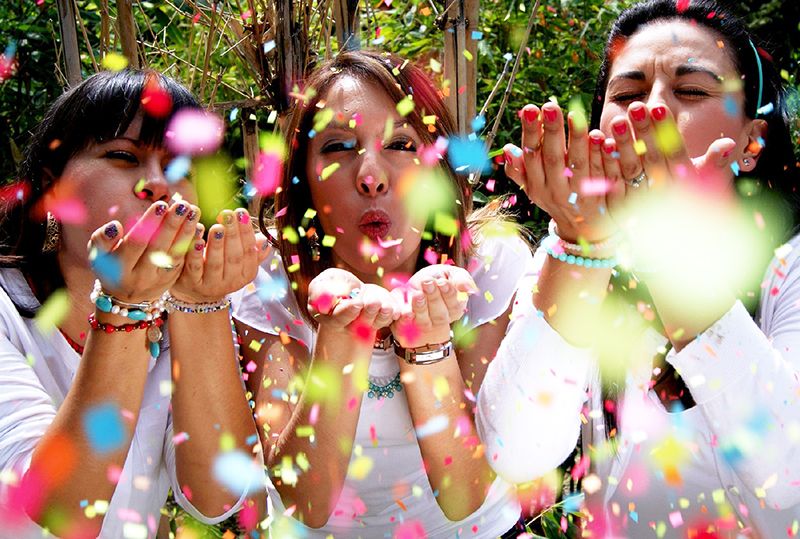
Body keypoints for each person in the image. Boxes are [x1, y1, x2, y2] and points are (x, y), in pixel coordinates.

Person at [480, 0, 800, 536]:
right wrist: (581, 248)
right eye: (625, 95)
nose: (650, 111)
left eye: (692, 91)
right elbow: (516, 453)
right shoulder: (574, 258)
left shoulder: (787, 267)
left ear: (751, 142)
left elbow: (786, 473)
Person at [231, 50, 564, 538]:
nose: (371, 175)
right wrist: (342, 338)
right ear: (304, 182)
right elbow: (306, 499)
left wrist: (426, 343)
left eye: (403, 144)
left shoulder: (489, 268)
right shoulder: (271, 282)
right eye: (339, 146)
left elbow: (465, 491)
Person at [0, 68, 268, 538]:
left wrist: (199, 305)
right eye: (123, 156)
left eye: (179, 167)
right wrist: (125, 309)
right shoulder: (6, 306)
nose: (156, 185)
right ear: (51, 185)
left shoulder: (177, 313)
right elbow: (62, 508)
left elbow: (218, 498)